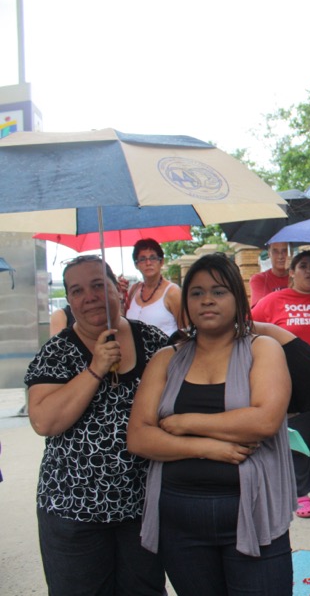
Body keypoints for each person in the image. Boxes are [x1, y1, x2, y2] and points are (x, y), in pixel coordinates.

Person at [127, 253, 294, 596]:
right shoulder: (166, 359)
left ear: (237, 297)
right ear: (185, 303)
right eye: (197, 292)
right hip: (179, 520)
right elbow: (140, 437)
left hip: (253, 513)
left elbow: (264, 421)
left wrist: (183, 422)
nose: (207, 300)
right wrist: (208, 447)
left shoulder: (263, 350)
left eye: (218, 292)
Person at [25, 254, 169, 595]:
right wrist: (95, 368)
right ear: (70, 301)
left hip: (142, 507)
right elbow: (44, 421)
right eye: (76, 290)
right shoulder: (56, 352)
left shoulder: (153, 342)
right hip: (73, 510)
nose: (88, 296)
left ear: (118, 290)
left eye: (97, 285)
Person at [252, 250, 310, 518]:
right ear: (291, 273)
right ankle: (301, 493)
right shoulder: (273, 301)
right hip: (291, 383)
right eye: (303, 266)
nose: (309, 271)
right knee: (298, 439)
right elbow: (249, 326)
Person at [125, 238, 182, 337]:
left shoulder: (173, 292)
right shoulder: (134, 290)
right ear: (136, 264)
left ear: (161, 261)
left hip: (167, 351)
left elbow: (185, 331)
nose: (148, 263)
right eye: (142, 259)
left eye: (153, 258)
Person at [250, 242, 291, 307]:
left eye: (284, 251)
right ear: (269, 254)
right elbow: (260, 306)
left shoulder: (299, 278)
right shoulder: (259, 279)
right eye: (275, 252)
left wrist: (292, 274)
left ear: (291, 253)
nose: (280, 256)